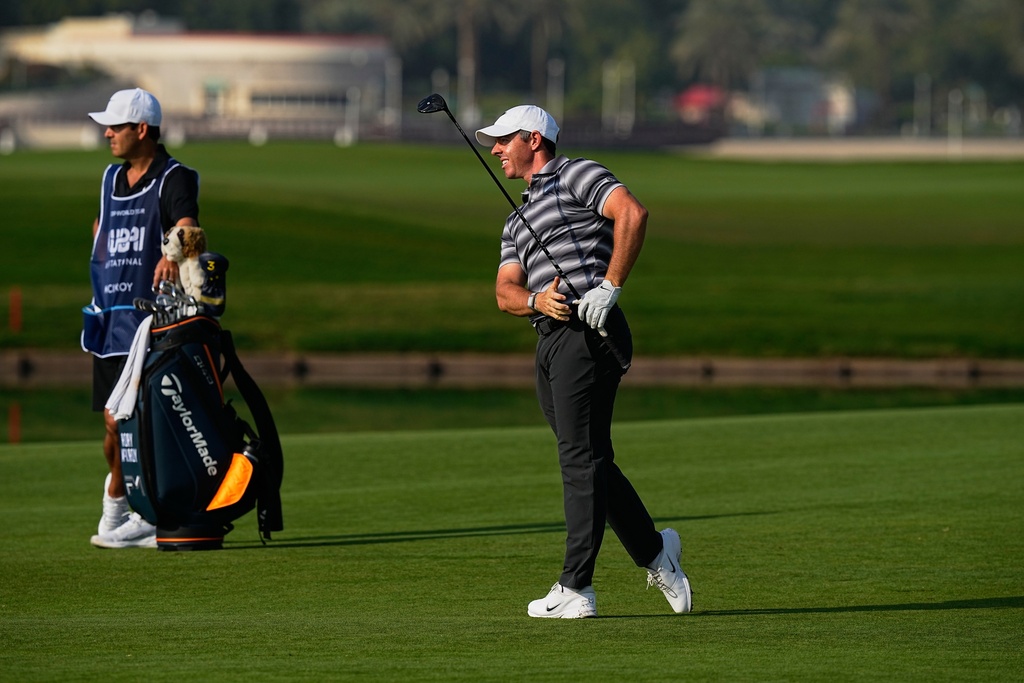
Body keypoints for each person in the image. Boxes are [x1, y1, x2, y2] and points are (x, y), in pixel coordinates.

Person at [475, 105, 692, 618]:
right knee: (590, 458)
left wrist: (609, 286)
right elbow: (505, 291)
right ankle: (655, 550)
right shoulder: (515, 219)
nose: (497, 149)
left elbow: (632, 213)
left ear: (534, 138)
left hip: (589, 329)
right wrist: (535, 300)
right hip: (549, 339)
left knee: (578, 458)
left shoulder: (577, 173)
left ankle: (577, 587)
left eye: (505, 139)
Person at [82, 88, 200, 549]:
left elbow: (192, 233)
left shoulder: (174, 177)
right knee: (112, 428)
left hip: (151, 324)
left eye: (116, 126)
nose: (107, 134)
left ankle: (141, 511)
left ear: (142, 129)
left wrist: (172, 255)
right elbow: (102, 233)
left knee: (130, 423)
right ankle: (118, 500)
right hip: (109, 321)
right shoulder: (110, 178)